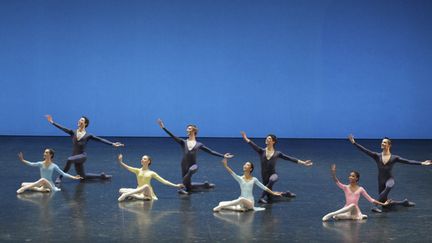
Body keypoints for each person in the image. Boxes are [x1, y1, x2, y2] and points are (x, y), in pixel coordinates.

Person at [348, 134, 431, 212]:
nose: (382, 143)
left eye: (384, 142)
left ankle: (375, 206)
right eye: (382, 142)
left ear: (389, 145)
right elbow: (365, 150)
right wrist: (354, 143)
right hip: (380, 180)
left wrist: (422, 163)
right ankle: (403, 203)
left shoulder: (394, 158)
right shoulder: (377, 156)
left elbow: (408, 161)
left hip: (389, 179)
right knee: (385, 203)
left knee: (388, 187)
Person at [157, 119, 233, 194]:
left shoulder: (199, 144)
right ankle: (205, 185)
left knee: (190, 171)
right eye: (187, 128)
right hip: (184, 165)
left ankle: (181, 187)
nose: (187, 130)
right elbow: (173, 136)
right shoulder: (183, 142)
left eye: (189, 128)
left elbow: (210, 151)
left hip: (194, 165)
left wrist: (223, 155)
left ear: (194, 131)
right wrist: (164, 128)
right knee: (189, 187)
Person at [46, 115, 124, 182]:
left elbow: (100, 139)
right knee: (83, 177)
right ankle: (101, 176)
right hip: (75, 157)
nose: (79, 120)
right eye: (79, 119)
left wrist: (112, 144)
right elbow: (63, 128)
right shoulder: (73, 132)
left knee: (69, 160)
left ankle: (60, 177)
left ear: (85, 123)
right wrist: (52, 122)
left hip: (82, 156)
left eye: (82, 120)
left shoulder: (88, 135)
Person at [241, 131, 312, 204]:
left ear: (273, 141)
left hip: (273, 174)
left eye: (269, 139)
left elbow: (289, 158)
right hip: (264, 175)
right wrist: (245, 138)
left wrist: (303, 162)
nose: (266, 139)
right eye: (266, 138)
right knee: (270, 196)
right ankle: (285, 194)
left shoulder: (278, 153)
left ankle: (261, 198)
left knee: (272, 180)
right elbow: (253, 145)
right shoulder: (261, 151)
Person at [322, 164, 388, 221]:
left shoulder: (360, 189)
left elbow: (371, 200)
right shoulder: (345, 187)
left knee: (353, 205)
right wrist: (333, 173)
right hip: (346, 210)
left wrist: (383, 204)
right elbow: (337, 182)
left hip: (355, 210)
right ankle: (352, 217)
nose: (350, 177)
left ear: (357, 178)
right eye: (350, 176)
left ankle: (331, 214)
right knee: (337, 217)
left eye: (353, 176)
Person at [213, 158, 282, 212]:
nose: (245, 165)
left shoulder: (254, 179)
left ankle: (222, 207)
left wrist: (273, 193)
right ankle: (238, 209)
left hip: (250, 203)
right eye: (245, 164)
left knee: (241, 199)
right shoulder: (240, 179)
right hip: (241, 202)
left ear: (250, 169)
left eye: (247, 165)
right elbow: (232, 173)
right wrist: (225, 165)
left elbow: (264, 187)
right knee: (221, 202)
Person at [117, 154, 184, 201]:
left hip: (147, 191)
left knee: (146, 186)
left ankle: (127, 195)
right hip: (138, 191)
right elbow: (128, 167)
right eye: (142, 159)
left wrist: (176, 185)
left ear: (148, 161)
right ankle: (141, 198)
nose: (142, 160)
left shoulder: (151, 173)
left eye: (144, 159)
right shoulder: (137, 170)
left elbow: (164, 181)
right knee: (120, 190)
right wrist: (120, 162)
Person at [17, 149, 81, 193]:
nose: (44, 153)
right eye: (44, 152)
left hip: (50, 185)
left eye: (46, 152)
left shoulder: (54, 166)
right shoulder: (40, 163)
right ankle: (40, 190)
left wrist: (74, 177)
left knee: (42, 179)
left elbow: (63, 174)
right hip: (42, 184)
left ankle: (23, 189)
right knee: (23, 184)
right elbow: (31, 164)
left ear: (51, 155)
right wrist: (22, 160)